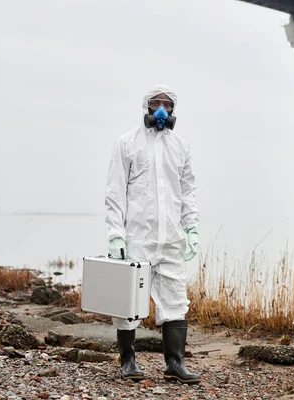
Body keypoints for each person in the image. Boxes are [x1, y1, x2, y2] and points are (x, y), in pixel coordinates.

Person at [104, 85, 201, 384]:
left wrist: (192, 227)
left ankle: (175, 363)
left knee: (175, 300)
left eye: (167, 104)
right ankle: (128, 361)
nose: (161, 109)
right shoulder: (127, 143)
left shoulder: (181, 147)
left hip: (171, 239)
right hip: (137, 238)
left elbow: (187, 192)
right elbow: (115, 192)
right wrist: (115, 234)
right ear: (146, 106)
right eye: (156, 103)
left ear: (173, 109)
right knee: (129, 302)